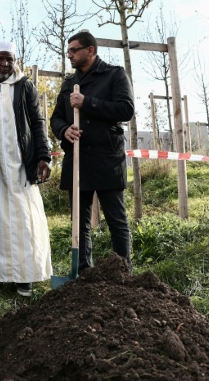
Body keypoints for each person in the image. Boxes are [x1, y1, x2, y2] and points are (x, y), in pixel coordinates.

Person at [0, 41, 52, 296]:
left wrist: (43, 156)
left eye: (10, 59)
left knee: (23, 218)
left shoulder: (25, 87)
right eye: (0, 59)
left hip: (18, 163)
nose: (4, 64)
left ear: (15, 62)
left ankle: (24, 276)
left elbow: (37, 123)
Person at [50, 30, 135, 273]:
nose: (70, 55)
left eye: (74, 50)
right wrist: (64, 130)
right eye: (68, 51)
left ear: (90, 50)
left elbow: (126, 109)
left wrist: (87, 103)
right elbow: (55, 118)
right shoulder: (69, 83)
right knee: (79, 222)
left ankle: (122, 272)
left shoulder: (114, 75)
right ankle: (84, 271)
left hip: (107, 157)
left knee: (116, 220)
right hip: (78, 159)